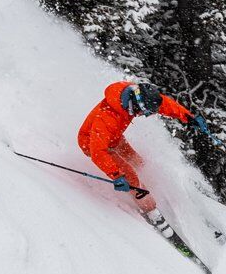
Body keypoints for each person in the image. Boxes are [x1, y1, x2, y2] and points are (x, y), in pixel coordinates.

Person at [77, 80, 209, 216]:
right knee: (129, 175)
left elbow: (164, 103)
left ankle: (150, 189)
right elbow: (98, 151)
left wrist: (188, 117)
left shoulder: (134, 96)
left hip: (113, 137)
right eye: (144, 112)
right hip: (91, 142)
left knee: (138, 162)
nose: (143, 115)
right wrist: (115, 174)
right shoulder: (107, 117)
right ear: (136, 105)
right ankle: (151, 211)